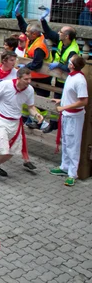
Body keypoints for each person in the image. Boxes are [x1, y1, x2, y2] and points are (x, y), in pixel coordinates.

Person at [0, 68, 43, 182]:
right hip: (1, 119)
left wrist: (36, 114)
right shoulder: (5, 85)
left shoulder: (29, 90)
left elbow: (30, 107)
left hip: (15, 122)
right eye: (26, 79)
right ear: (18, 78)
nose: (29, 82)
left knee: (12, 152)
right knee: (2, 148)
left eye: (30, 79)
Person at [49, 55, 88, 186]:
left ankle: (72, 173)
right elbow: (71, 95)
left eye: (69, 62)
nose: (68, 63)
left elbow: (83, 101)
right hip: (66, 114)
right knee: (65, 141)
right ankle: (64, 167)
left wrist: (64, 106)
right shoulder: (71, 77)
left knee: (73, 144)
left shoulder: (80, 80)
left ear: (72, 65)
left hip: (74, 117)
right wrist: (61, 101)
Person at [41, 13, 79, 134]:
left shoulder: (73, 50)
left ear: (67, 36)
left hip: (67, 81)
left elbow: (70, 68)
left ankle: (61, 127)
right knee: (56, 101)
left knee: (65, 103)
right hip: (59, 79)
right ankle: (53, 124)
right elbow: (50, 33)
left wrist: (58, 65)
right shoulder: (63, 42)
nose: (58, 33)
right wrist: (43, 20)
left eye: (61, 32)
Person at [15, 14, 52, 130]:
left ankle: (41, 122)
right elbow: (25, 27)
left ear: (34, 34)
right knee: (29, 96)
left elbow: (37, 64)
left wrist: (25, 66)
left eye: (28, 33)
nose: (25, 34)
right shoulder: (33, 37)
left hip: (42, 77)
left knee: (41, 99)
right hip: (34, 76)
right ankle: (26, 118)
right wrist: (19, 17)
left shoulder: (39, 46)